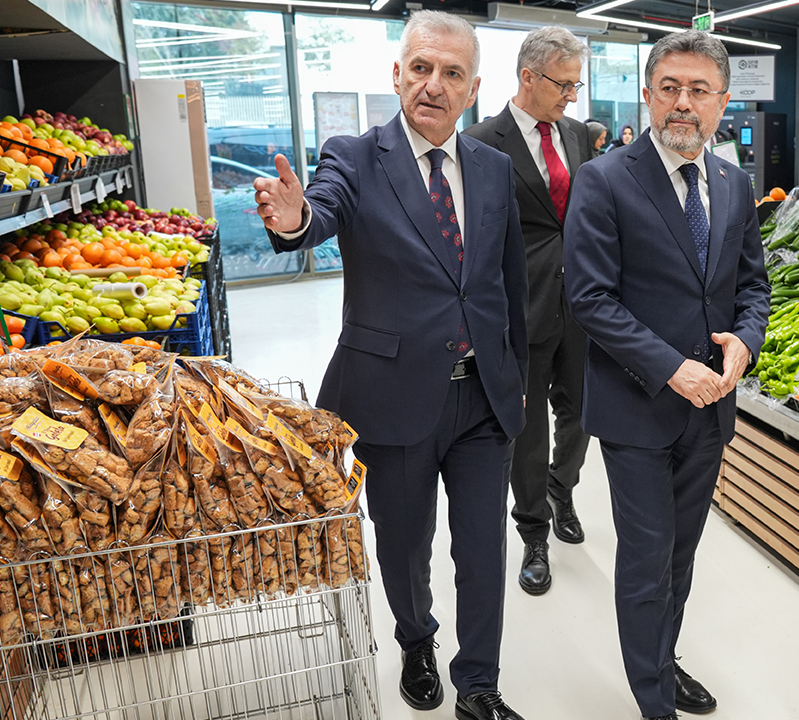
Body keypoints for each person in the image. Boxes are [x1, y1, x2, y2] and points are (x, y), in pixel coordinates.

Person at [252, 11, 530, 720]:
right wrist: (293, 219)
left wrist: (516, 381)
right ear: (397, 74)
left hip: (482, 396)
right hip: (394, 390)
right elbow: (319, 213)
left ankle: (480, 685)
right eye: (421, 68)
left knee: (483, 549)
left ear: (473, 88)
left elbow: (507, 284)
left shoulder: (494, 169)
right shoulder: (354, 156)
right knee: (405, 544)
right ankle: (416, 640)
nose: (433, 84)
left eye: (452, 73)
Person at [564, 31, 770, 720]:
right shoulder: (605, 179)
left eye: (699, 90)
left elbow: (752, 286)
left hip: (709, 409)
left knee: (681, 554)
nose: (684, 103)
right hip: (637, 405)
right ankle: (654, 701)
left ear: (722, 102)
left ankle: (662, 658)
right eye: (671, 88)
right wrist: (671, 367)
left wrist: (744, 344)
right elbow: (590, 298)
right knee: (647, 557)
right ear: (649, 95)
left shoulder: (734, 184)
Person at [464, 26, 593, 598]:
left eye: (575, 84)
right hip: (522, 305)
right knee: (529, 426)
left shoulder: (577, 134)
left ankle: (562, 489)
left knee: (583, 411)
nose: (571, 95)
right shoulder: (482, 142)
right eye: (563, 84)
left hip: (583, 302)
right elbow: (477, 238)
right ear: (528, 77)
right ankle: (534, 532)